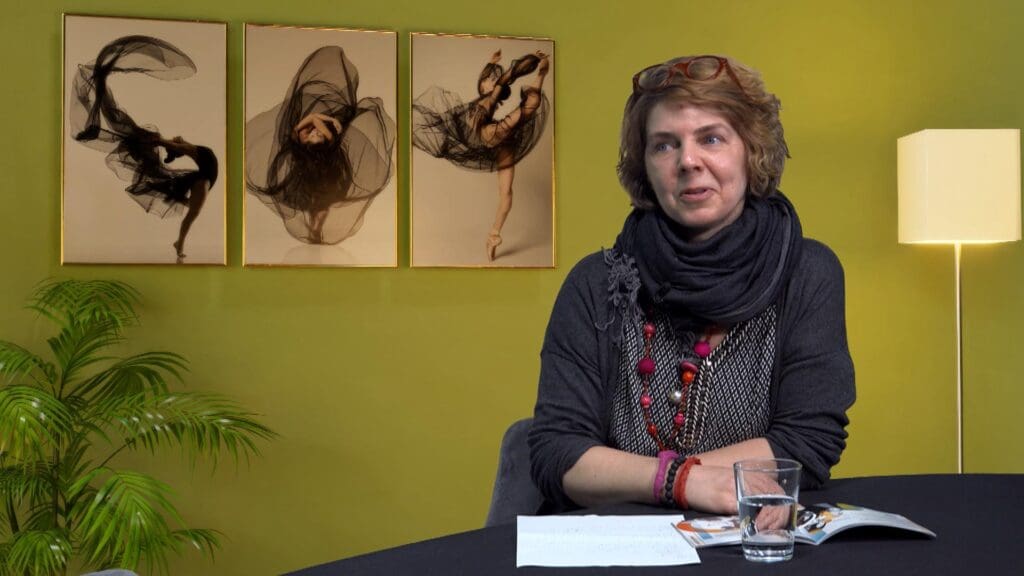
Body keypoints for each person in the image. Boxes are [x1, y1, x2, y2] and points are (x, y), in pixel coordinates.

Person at [527, 55, 855, 515]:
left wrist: (652, 476)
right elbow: (558, 454)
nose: (687, 161)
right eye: (664, 145)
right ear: (645, 165)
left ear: (752, 150)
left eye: (711, 138)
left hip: (750, 537)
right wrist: (682, 482)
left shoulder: (808, 272)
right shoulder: (595, 283)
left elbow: (806, 442)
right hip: (614, 539)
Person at [71, 35, 217, 262]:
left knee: (189, 207)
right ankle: (179, 243)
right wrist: (160, 143)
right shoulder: (201, 174)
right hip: (190, 165)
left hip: (191, 166)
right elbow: (189, 212)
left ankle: (179, 242)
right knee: (190, 210)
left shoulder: (198, 167)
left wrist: (163, 145)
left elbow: (175, 149)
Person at [246, 46, 396, 246]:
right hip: (311, 182)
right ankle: (314, 229)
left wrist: (322, 120)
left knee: (322, 207)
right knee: (314, 208)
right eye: (315, 134)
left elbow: (309, 123)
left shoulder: (315, 141)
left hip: (326, 181)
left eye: (316, 134)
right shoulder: (310, 142)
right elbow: (310, 123)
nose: (316, 132)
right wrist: (326, 120)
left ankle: (316, 230)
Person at [412, 49, 550, 261]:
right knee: (525, 103)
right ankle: (539, 73)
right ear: (482, 85)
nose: (493, 81)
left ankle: (493, 235)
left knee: (506, 193)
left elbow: (506, 78)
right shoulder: (484, 101)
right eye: (489, 79)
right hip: (486, 135)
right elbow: (504, 78)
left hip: (496, 139)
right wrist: (494, 66)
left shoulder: (490, 98)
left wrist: (537, 69)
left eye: (494, 78)